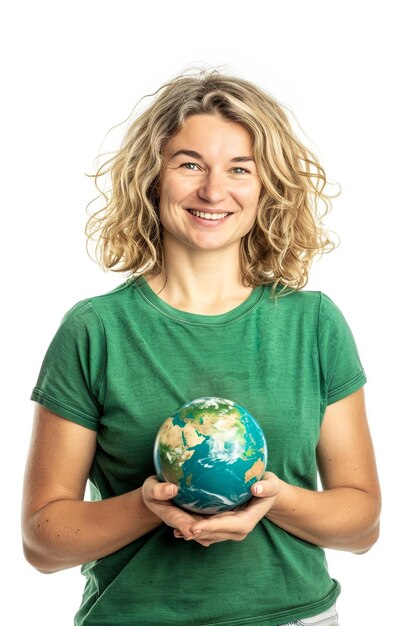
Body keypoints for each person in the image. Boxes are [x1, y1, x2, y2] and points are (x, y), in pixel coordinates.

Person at [22, 69, 381, 626]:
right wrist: (151, 506)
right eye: (190, 164)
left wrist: (272, 499)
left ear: (266, 187)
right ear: (152, 178)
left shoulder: (314, 324)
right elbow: (43, 543)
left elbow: (361, 526)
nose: (214, 191)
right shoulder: (95, 330)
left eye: (240, 169)